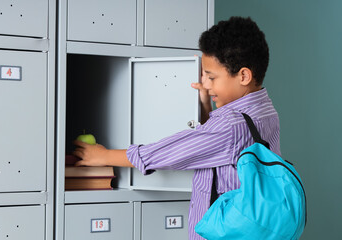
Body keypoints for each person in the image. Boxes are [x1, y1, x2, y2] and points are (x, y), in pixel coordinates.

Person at [73, 16, 281, 240]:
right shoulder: (266, 111)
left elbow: (167, 153)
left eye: (211, 77)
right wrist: (205, 107)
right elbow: (218, 150)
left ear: (243, 75)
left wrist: (103, 155)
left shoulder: (231, 124)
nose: (207, 84)